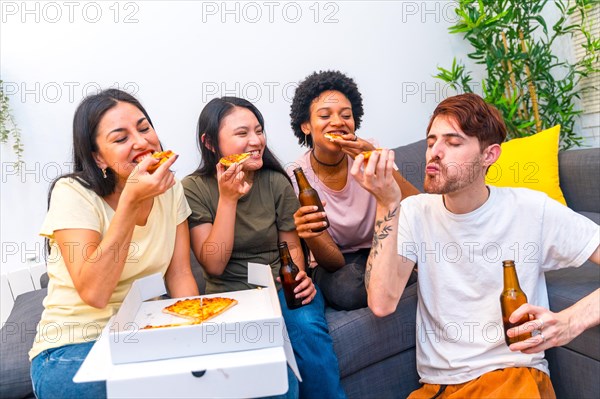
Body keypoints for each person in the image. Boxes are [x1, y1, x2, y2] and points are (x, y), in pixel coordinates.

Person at [350, 93, 600, 398]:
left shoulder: (531, 209)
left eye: (453, 143)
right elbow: (381, 302)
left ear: (489, 155)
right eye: (431, 142)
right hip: (435, 388)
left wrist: (571, 321)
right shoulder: (415, 211)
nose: (435, 153)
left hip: (510, 378)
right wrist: (386, 202)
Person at [29, 89, 199, 398]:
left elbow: (179, 275)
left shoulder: (171, 190)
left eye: (144, 128)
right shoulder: (73, 193)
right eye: (121, 139)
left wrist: (198, 334)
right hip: (73, 347)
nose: (141, 141)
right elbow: (95, 293)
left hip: (143, 335)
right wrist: (131, 201)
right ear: (97, 157)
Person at [182, 96, 346, 399]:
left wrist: (300, 278)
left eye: (259, 131)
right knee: (271, 360)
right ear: (210, 143)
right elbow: (214, 264)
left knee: (308, 332)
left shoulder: (275, 181)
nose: (256, 141)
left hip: (281, 287)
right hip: (230, 298)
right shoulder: (193, 188)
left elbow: (291, 246)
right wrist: (228, 198)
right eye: (242, 133)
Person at [288, 70, 419, 310]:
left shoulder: (371, 151)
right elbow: (334, 262)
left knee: (429, 259)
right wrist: (311, 234)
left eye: (346, 115)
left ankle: (395, 278)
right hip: (341, 264)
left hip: (382, 246)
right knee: (346, 290)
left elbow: (418, 206)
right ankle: (398, 279)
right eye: (325, 115)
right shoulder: (297, 177)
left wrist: (375, 161)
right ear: (306, 126)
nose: (338, 122)